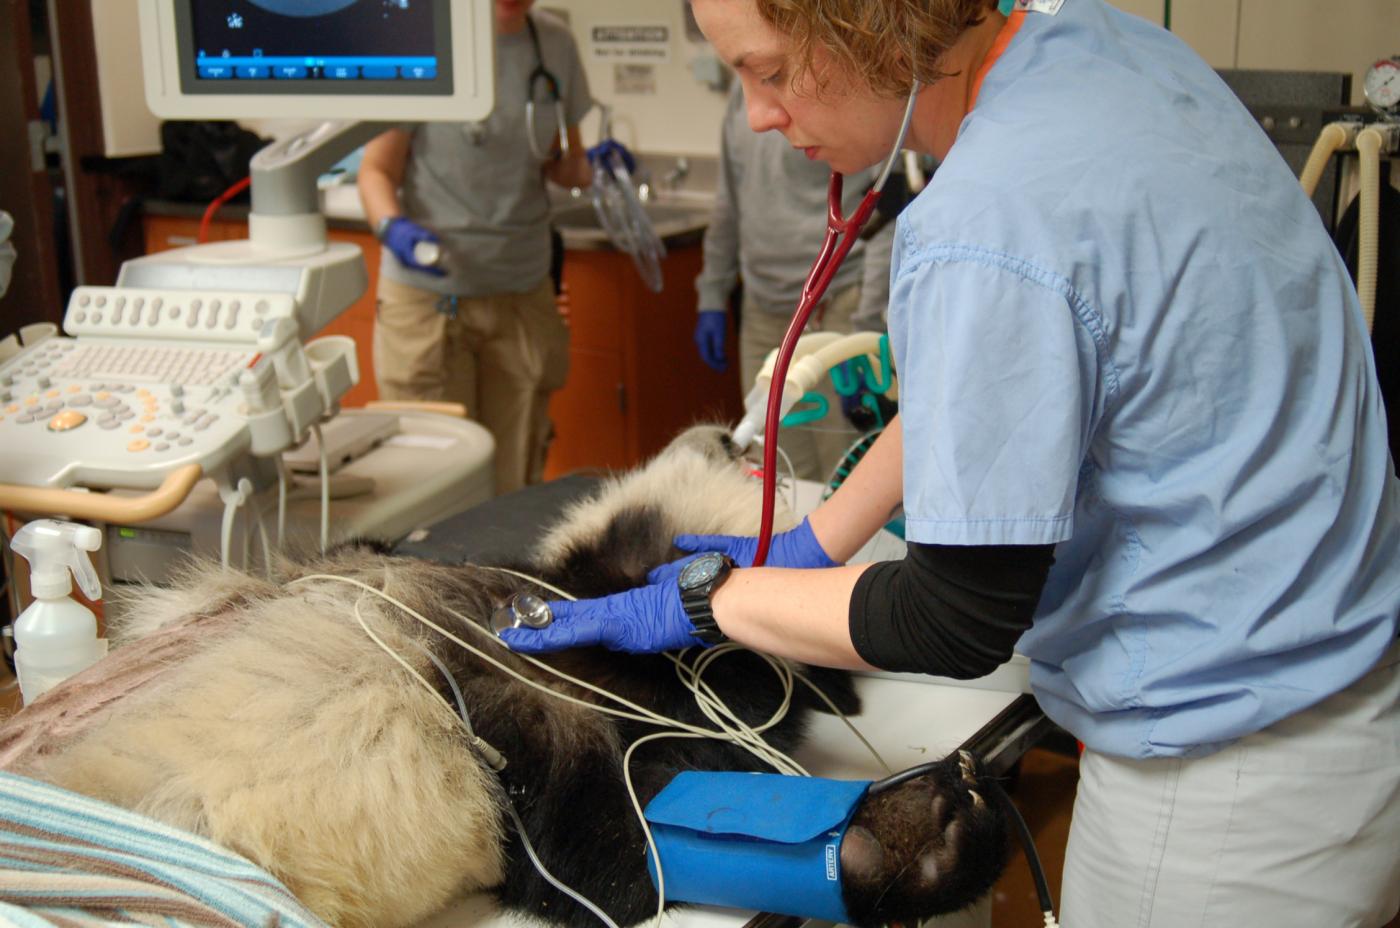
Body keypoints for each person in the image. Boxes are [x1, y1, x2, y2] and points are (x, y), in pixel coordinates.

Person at [503, 1, 1400, 925]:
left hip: (1227, 790)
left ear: (865, 23)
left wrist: (703, 599)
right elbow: (1002, 376)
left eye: (769, 72)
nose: (759, 114)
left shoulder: (985, 217)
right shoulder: (1099, 47)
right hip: (1336, 684)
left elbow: (956, 617)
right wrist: (821, 536)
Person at [358, 0, 593, 495]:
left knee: (514, 476)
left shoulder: (552, 43)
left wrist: (594, 166)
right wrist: (392, 229)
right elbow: (376, 169)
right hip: (430, 300)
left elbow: (560, 162)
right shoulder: (417, 40)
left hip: (520, 291)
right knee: (431, 484)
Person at [695, 82, 895, 481]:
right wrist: (712, 295)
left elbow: (886, 211)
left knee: (842, 478)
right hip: (763, 310)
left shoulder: (840, 89)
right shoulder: (743, 99)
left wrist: (865, 328)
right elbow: (729, 205)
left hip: (836, 308)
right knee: (778, 474)